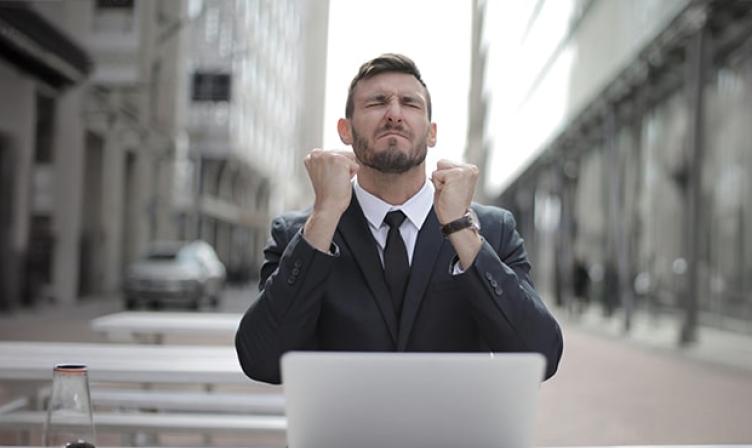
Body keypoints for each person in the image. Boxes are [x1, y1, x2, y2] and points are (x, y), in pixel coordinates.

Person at [235, 53, 563, 384]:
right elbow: (261, 360)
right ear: (345, 130)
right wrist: (325, 214)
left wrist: (460, 228)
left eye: (410, 103)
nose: (394, 114)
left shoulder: (492, 230)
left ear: (432, 133)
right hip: (340, 436)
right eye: (377, 102)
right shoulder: (299, 233)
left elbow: (540, 357)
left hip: (456, 436)